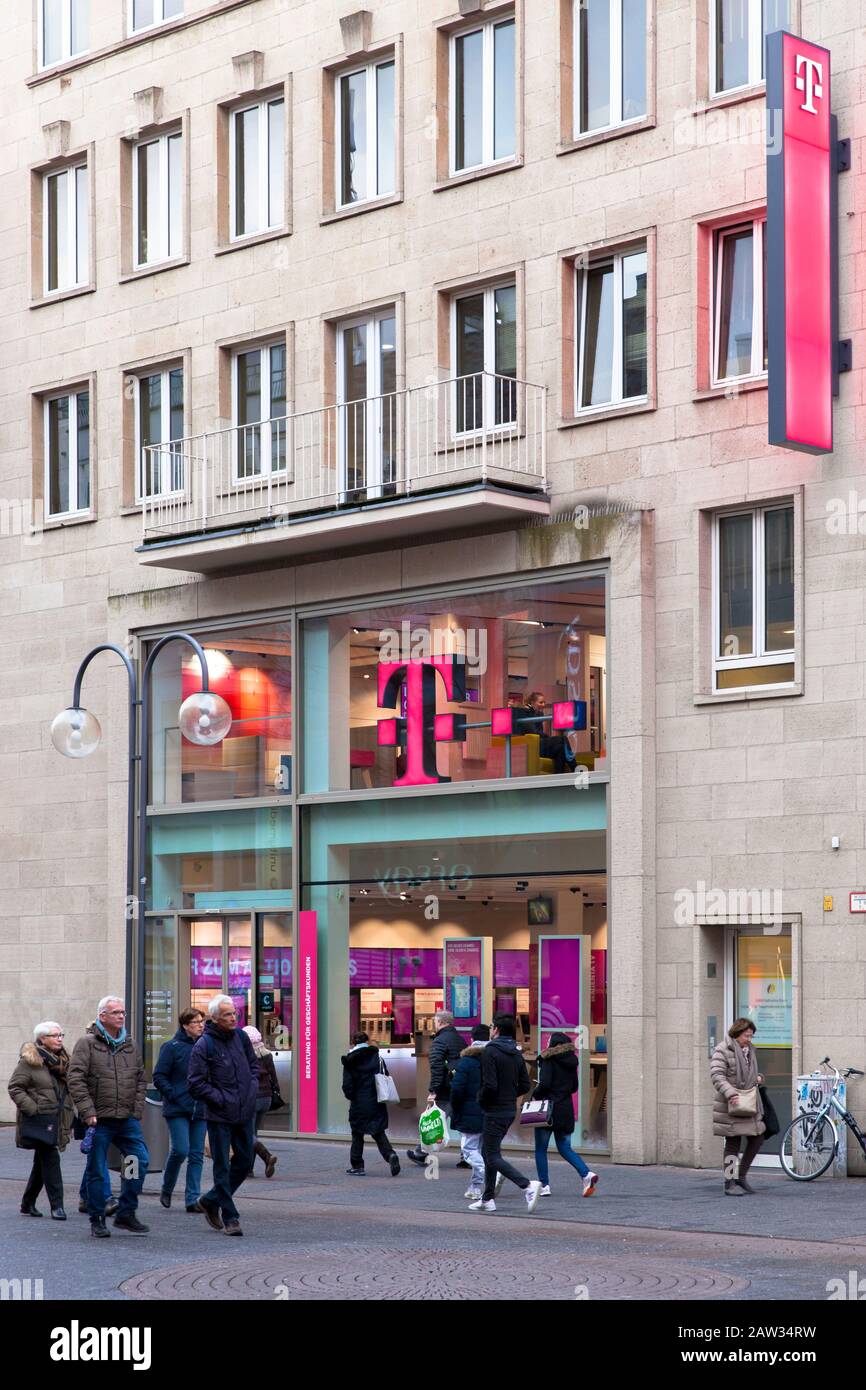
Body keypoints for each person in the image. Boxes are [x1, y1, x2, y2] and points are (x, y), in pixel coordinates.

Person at [67, 996, 149, 1239]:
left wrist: (136, 1111)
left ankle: (126, 1211)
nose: (121, 1016)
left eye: (123, 1012)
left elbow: (140, 1080)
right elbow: (76, 1079)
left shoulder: (130, 1045)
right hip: (99, 1120)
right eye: (116, 1012)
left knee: (137, 1162)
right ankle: (97, 1218)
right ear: (102, 1016)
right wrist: (87, 1111)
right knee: (97, 1171)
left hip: (126, 1120)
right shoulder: (87, 1043)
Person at [187, 994, 259, 1236]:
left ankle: (209, 1200)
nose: (233, 1018)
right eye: (228, 1015)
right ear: (215, 1018)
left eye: (234, 1014)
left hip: (244, 1111)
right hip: (219, 1114)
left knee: (245, 1160)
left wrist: (251, 1090)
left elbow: (253, 1067)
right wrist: (221, 1099)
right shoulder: (203, 1045)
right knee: (222, 1166)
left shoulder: (241, 1037)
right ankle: (230, 1217)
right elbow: (195, 1083)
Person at [470, 1013, 541, 1214]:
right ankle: (487, 1198)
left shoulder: (490, 1051)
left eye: (492, 1026)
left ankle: (527, 1185)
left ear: (497, 1030)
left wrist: (482, 1099)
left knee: (490, 1154)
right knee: (489, 1152)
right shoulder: (515, 1052)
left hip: (494, 1109)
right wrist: (509, 1096)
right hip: (509, 1109)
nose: (491, 1030)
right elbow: (525, 1084)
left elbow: (490, 1085)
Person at [8, 1020, 76, 1220]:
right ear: (42, 1039)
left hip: (58, 1118)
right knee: (51, 1158)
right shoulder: (29, 1061)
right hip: (40, 1119)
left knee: (42, 1162)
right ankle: (57, 1206)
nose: (60, 1039)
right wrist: (33, 1108)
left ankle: (27, 1203)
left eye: (61, 1035)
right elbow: (15, 1087)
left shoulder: (63, 1062)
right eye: (55, 1035)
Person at [153, 1008, 207, 1210]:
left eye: (202, 1021)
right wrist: (173, 1094)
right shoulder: (171, 1047)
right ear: (185, 1025)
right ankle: (167, 1188)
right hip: (177, 1109)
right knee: (180, 1150)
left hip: (201, 1107)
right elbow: (159, 1076)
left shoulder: (205, 1046)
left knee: (197, 1154)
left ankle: (192, 1199)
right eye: (196, 1022)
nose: (201, 1025)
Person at [532, 1031, 598, 1197]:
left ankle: (544, 1185)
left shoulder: (548, 1060)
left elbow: (545, 1084)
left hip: (547, 1110)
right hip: (565, 1109)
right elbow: (574, 1087)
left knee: (540, 1149)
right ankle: (586, 1174)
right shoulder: (571, 1062)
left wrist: (536, 1093)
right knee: (565, 1147)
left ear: (553, 1044)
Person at [711, 1018, 766, 1195]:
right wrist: (730, 1093)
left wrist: (758, 1077)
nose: (749, 1039)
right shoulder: (722, 1049)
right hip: (732, 1102)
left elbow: (748, 1072)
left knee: (758, 1137)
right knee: (733, 1143)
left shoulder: (749, 1050)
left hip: (749, 1101)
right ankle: (729, 1183)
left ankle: (741, 1177)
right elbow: (717, 1075)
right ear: (737, 1033)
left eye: (751, 1036)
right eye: (746, 1036)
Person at [406, 1010, 464, 1166]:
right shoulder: (459, 1039)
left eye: (435, 1021)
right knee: (463, 1122)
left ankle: (421, 1152)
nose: (434, 1024)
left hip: (445, 1088)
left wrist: (434, 1089)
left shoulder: (439, 1041)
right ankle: (467, 1156)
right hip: (460, 1086)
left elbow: (437, 1067)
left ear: (440, 1022)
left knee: (434, 1120)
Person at [341, 1031, 400, 1177]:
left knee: (357, 1133)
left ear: (353, 1042)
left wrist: (352, 1096)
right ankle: (390, 1154)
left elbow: (347, 1086)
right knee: (378, 1131)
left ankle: (357, 1165)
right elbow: (385, 1074)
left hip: (359, 1102)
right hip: (375, 1100)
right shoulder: (377, 1057)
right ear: (367, 1041)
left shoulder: (350, 1060)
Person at [449, 1024, 489, 1200]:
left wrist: (455, 1108)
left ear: (471, 1040)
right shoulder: (494, 1058)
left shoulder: (466, 1061)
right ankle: (475, 1187)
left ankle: (492, 1172)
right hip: (491, 1111)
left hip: (469, 1110)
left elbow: (457, 1089)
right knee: (480, 1150)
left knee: (468, 1151)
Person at [243, 1025, 279, 1178]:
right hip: (266, 1098)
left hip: (252, 1098)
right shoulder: (267, 1055)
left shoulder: (245, 1056)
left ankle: (266, 1156)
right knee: (253, 1133)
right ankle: (248, 1169)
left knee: (246, 1133)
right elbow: (275, 1079)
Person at [522, 691, 574, 774]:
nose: (543, 705)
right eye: (540, 702)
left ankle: (559, 776)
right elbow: (534, 732)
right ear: (532, 702)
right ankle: (575, 768)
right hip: (534, 747)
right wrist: (547, 736)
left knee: (560, 749)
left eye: (544, 702)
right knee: (562, 739)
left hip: (542, 743)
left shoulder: (539, 713)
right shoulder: (526, 712)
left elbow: (540, 732)